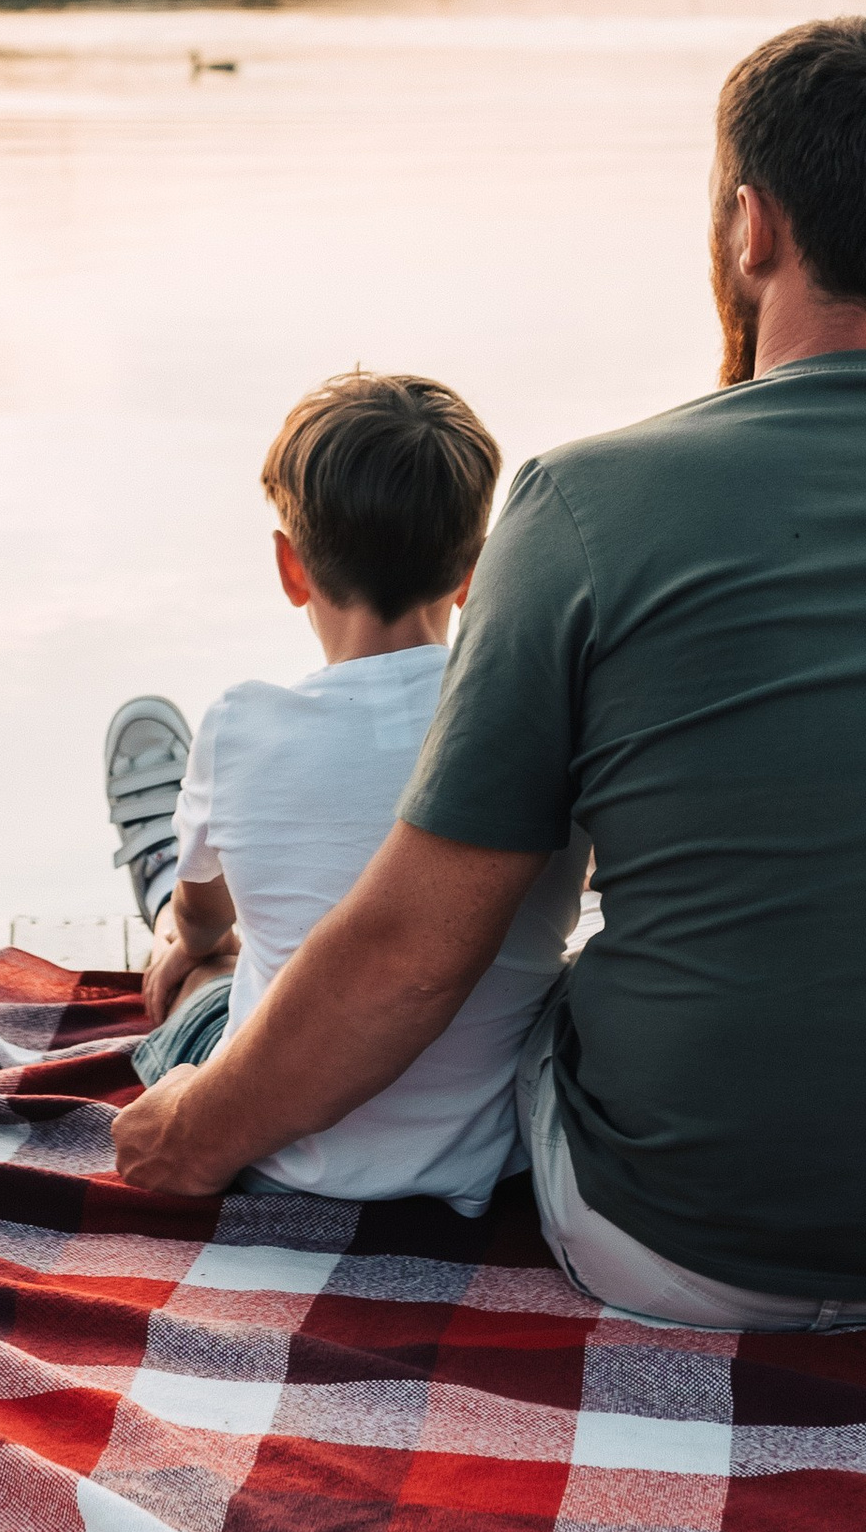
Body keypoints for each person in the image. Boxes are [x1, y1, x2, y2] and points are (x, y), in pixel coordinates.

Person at [112, 16, 866, 1332]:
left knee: (543, 994)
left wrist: (187, 1136)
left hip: (693, 1247)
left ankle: (169, 900)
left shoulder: (585, 506)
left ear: (752, 227)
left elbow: (411, 961)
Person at [109, 371, 583, 1212]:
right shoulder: (542, 723)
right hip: (491, 1158)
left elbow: (208, 916)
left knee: (204, 973)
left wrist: (186, 937)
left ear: (292, 567)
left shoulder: (241, 723)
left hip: (278, 1152)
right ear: (475, 571)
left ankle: (155, 874)